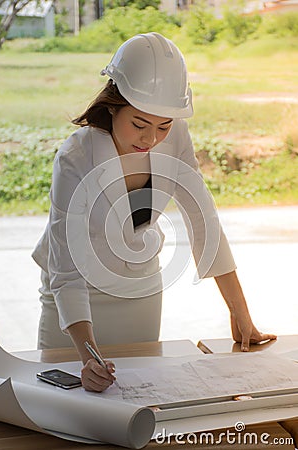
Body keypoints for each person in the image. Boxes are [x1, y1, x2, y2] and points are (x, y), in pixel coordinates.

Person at [32, 32, 276, 392]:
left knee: (136, 396)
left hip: (139, 288)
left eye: (164, 126)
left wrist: (240, 313)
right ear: (114, 104)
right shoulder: (76, 157)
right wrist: (88, 360)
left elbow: (202, 219)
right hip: (71, 293)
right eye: (139, 124)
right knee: (66, 403)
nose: (150, 139)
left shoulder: (176, 137)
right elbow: (66, 270)